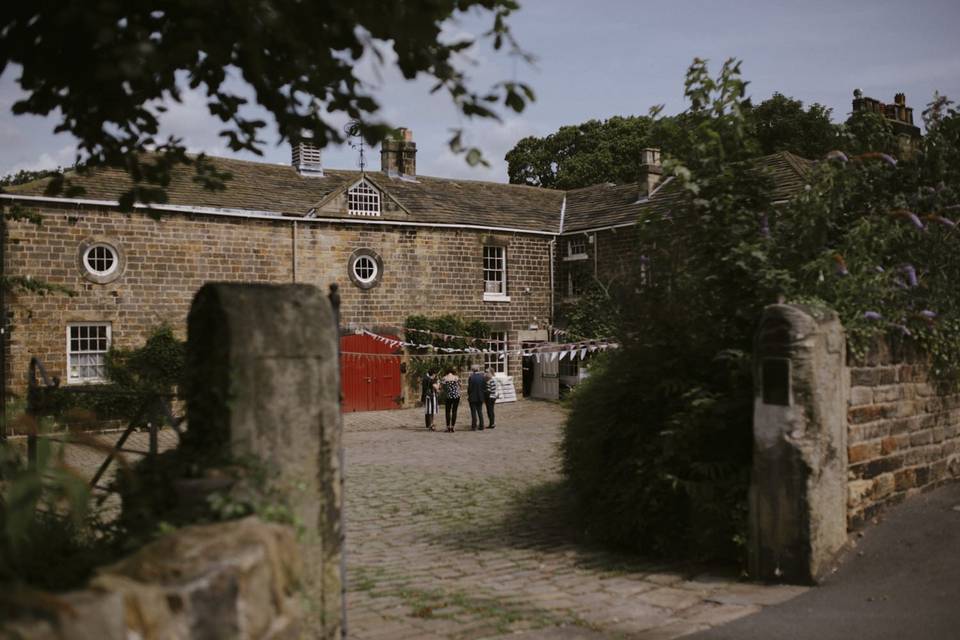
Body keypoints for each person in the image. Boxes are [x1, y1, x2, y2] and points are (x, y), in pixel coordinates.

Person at [441, 368, 461, 432]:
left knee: (447, 411)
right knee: (454, 411)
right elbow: (460, 385)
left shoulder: (444, 378)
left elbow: (442, 387)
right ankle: (452, 427)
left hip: (448, 396)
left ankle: (447, 427)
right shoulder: (456, 378)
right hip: (456, 396)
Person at [467, 364, 486, 430]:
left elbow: (469, 388)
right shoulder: (482, 377)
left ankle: (474, 426)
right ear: (478, 369)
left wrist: (469, 394)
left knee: (473, 412)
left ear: (472, 370)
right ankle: (481, 425)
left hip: (473, 396)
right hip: (480, 396)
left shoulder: (471, 377)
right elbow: (484, 387)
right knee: (480, 411)